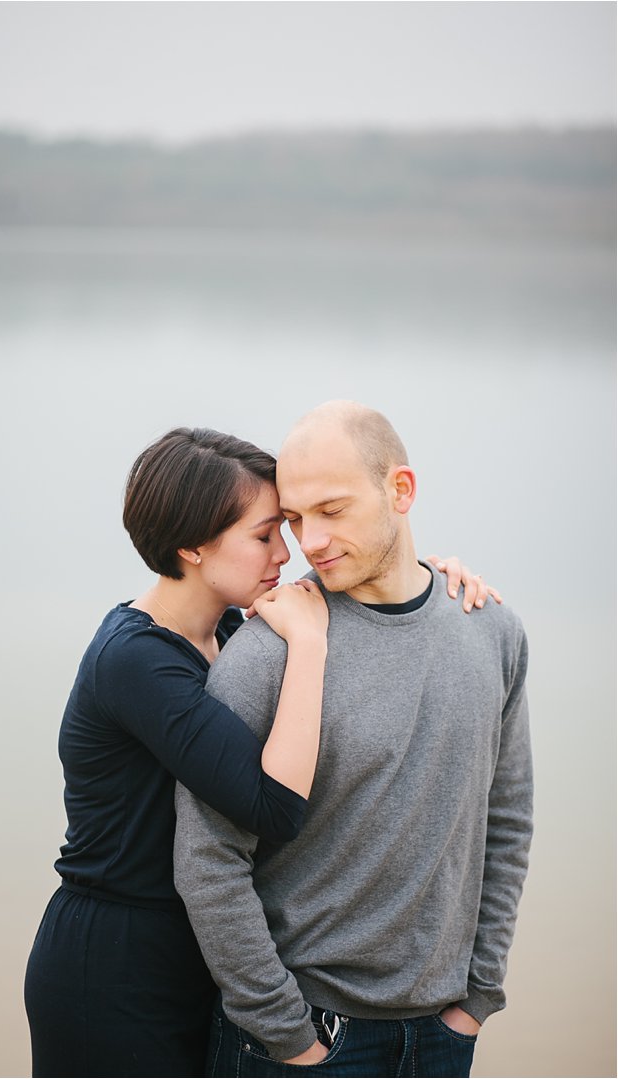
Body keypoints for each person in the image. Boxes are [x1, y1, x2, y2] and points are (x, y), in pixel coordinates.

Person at [24, 425, 494, 1078]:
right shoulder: (134, 660)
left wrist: (425, 574)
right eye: (266, 533)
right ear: (192, 545)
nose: (290, 551)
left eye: (290, 526)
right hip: (114, 964)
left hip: (200, 960)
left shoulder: (223, 628)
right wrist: (307, 646)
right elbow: (273, 805)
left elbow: (360, 560)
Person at [173, 402, 532, 1079]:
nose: (310, 540)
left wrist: (478, 996)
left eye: (332, 511)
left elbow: (506, 823)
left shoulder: (491, 631)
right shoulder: (266, 653)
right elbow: (208, 857)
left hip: (443, 1031)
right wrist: (289, 1035)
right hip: (299, 1038)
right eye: (296, 518)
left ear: (400, 490)